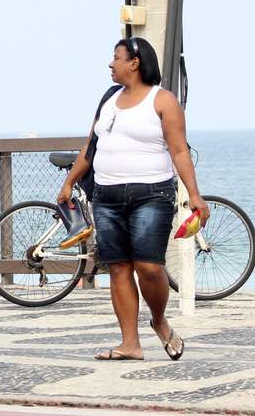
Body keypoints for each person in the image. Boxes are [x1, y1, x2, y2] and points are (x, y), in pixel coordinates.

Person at [57, 37, 208, 361]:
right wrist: (69, 182)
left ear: (134, 63)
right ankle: (130, 343)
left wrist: (195, 195)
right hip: (106, 196)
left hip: (151, 195)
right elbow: (90, 146)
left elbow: (179, 150)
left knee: (149, 267)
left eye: (116, 58)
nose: (111, 64)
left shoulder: (163, 101)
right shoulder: (109, 99)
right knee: (119, 267)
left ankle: (159, 321)